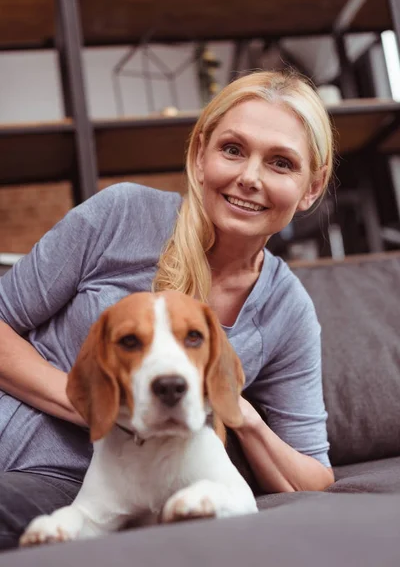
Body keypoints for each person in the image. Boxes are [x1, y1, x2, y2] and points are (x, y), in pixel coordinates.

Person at [0, 70, 334, 550]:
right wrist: (104, 407)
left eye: (281, 163)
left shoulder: (287, 310)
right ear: (200, 156)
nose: (249, 177)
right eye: (233, 149)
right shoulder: (121, 215)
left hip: (87, 489)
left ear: (311, 187)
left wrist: (242, 414)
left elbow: (315, 476)